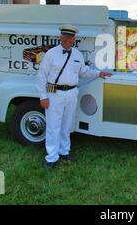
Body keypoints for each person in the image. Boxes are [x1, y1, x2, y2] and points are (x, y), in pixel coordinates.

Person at [37, 25, 111, 169]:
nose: (67, 42)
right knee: (53, 126)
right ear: (60, 38)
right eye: (65, 39)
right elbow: (41, 76)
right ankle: (51, 158)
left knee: (67, 125)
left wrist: (98, 73)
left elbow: (83, 71)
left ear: (73, 39)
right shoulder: (51, 54)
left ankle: (64, 152)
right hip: (54, 94)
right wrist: (42, 97)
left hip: (71, 93)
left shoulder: (77, 54)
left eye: (70, 40)